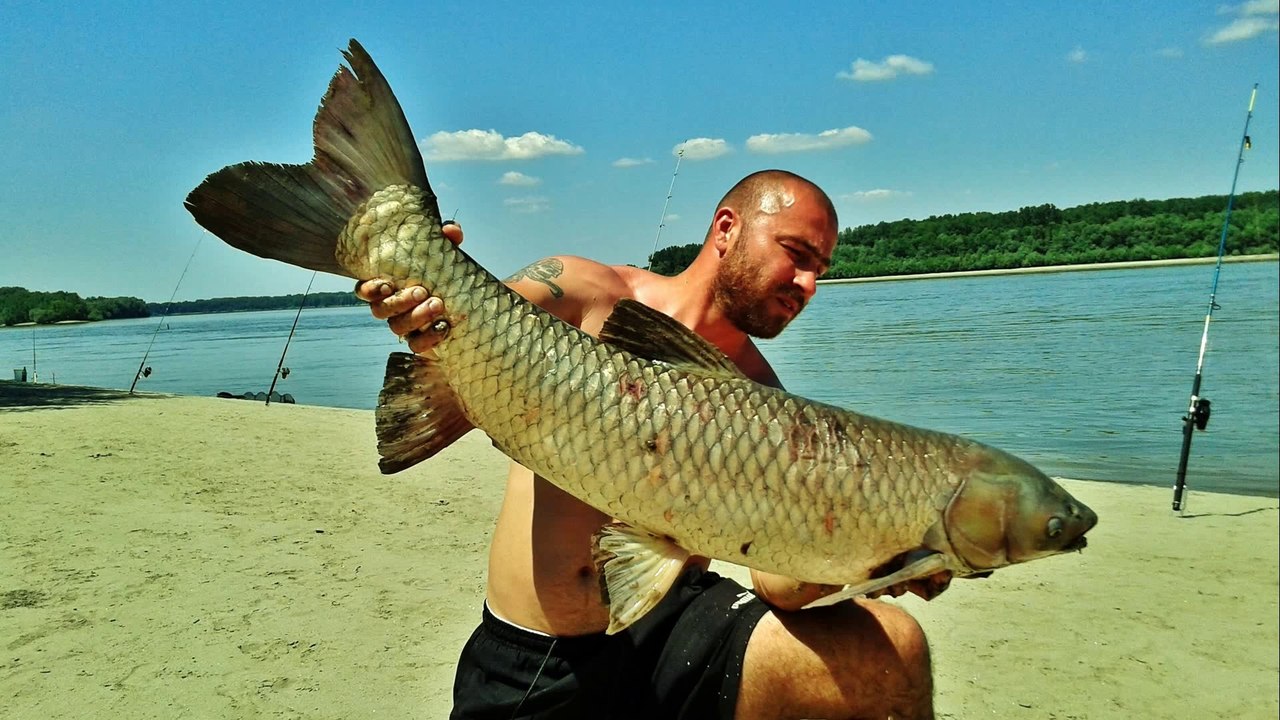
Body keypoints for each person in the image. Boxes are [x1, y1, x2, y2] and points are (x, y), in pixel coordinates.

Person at [356, 170, 935, 719]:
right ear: (727, 228)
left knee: (893, 648)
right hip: (539, 654)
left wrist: (874, 556)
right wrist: (423, 289)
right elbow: (464, 320)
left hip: (675, 628)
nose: (808, 284)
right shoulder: (586, 290)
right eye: (797, 254)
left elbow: (776, 583)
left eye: (821, 269)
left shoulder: (763, 396)